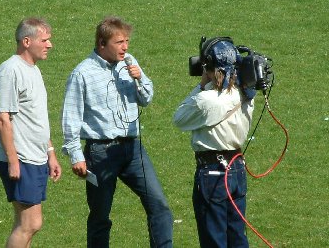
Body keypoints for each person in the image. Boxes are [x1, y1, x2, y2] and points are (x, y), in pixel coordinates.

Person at [61, 16, 173, 248]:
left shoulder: (129, 63)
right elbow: (71, 116)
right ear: (102, 43)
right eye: (119, 42)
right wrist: (75, 155)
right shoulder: (82, 73)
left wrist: (139, 78)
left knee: (159, 205)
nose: (125, 47)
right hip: (100, 152)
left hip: (133, 150)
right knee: (100, 216)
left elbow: (147, 98)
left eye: (127, 41)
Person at [173, 37, 255, 248]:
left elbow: (179, 118)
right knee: (237, 238)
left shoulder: (206, 100)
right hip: (237, 169)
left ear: (208, 67)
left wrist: (201, 86)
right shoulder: (246, 93)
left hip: (213, 173)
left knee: (214, 241)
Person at [0, 17, 62, 248]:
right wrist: (13, 161)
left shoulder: (33, 70)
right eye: (44, 40)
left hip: (36, 156)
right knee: (30, 224)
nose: (49, 45)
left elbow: (37, 118)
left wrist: (50, 152)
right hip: (21, 158)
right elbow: (3, 119)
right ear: (26, 41)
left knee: (28, 225)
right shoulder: (10, 71)